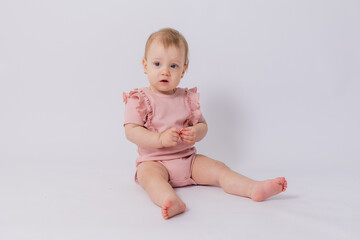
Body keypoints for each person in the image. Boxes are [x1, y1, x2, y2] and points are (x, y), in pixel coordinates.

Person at [123, 28, 287, 219]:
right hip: (154, 162)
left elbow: (203, 125)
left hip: (188, 160)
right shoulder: (140, 99)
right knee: (151, 179)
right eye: (157, 64)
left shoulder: (186, 98)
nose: (165, 71)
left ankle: (252, 188)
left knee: (219, 168)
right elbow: (131, 131)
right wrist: (159, 139)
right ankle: (171, 200)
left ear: (183, 70)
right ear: (145, 65)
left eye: (173, 66)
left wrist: (196, 132)